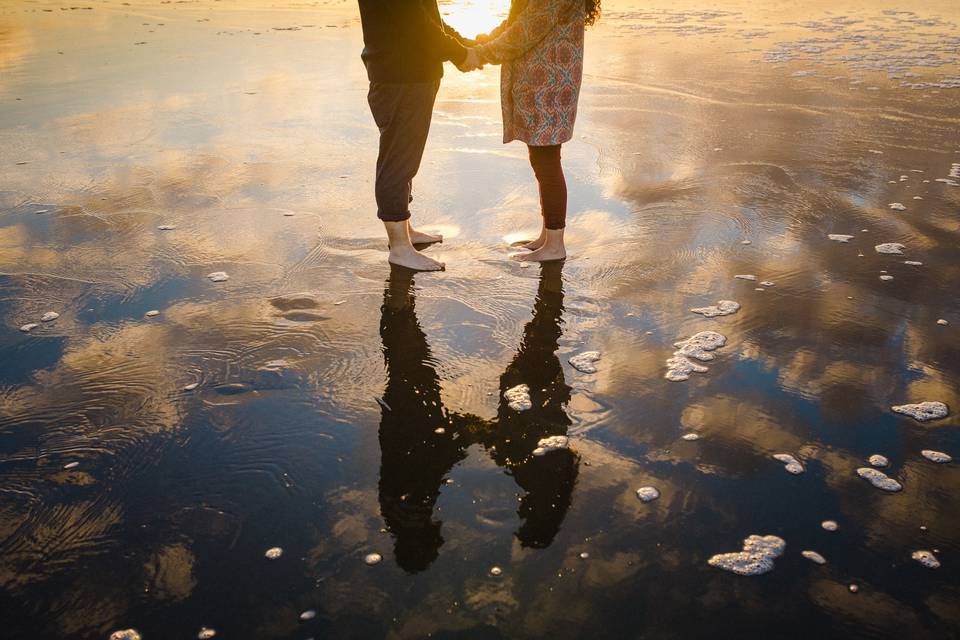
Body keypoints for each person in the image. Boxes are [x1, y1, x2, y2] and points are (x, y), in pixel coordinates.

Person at [470, 0, 601, 262]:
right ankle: (547, 235)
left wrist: (480, 53)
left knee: (547, 162)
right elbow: (520, 21)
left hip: (549, 82)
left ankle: (555, 245)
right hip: (545, 79)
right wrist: (484, 41)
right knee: (542, 159)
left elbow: (525, 30)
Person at [358, 1, 484, 272]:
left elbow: (428, 17)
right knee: (398, 161)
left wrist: (463, 45)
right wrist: (460, 53)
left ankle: (405, 231)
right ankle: (400, 248)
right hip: (401, 77)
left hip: (409, 74)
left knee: (406, 156)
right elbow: (417, 23)